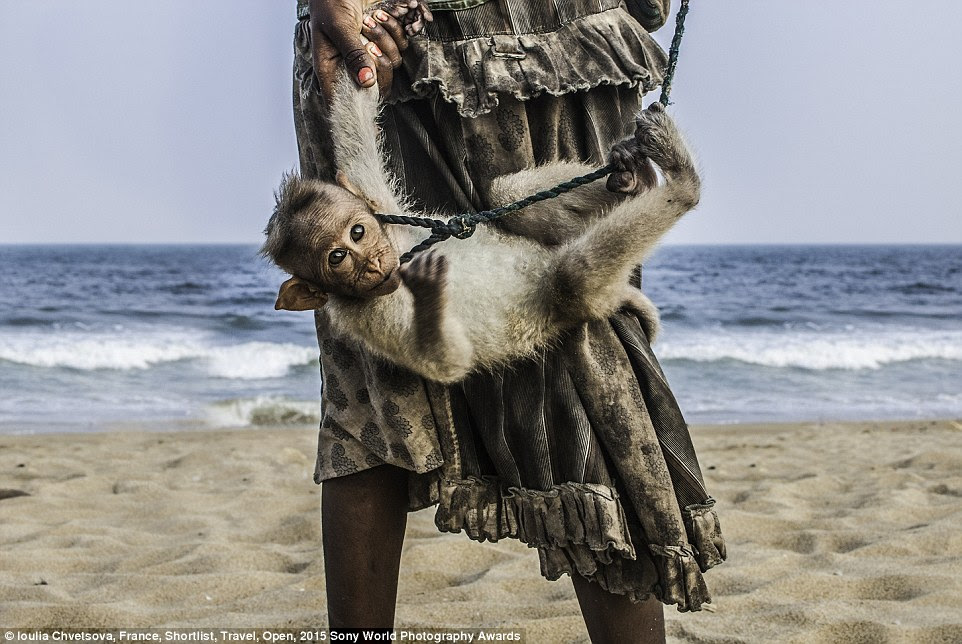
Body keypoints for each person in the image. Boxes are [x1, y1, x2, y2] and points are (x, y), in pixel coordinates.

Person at [288, 0, 726, 641]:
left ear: (366, 210)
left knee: (593, 382)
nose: (365, 256)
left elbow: (358, 150)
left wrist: (357, 104)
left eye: (357, 235)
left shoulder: (373, 212)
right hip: (394, 28)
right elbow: (443, 359)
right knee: (375, 409)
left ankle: (660, 194)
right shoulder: (357, 258)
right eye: (340, 258)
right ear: (305, 291)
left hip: (548, 37)